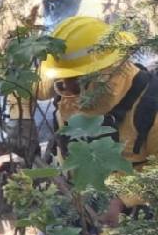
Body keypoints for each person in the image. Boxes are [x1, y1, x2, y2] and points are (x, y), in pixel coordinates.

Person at [41, 16, 156, 224]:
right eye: (61, 83)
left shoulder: (151, 108)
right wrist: (18, 116)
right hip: (76, 200)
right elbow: (25, 83)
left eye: (76, 83)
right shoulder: (67, 88)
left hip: (135, 218)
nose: (68, 92)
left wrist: (123, 198)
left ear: (105, 73)